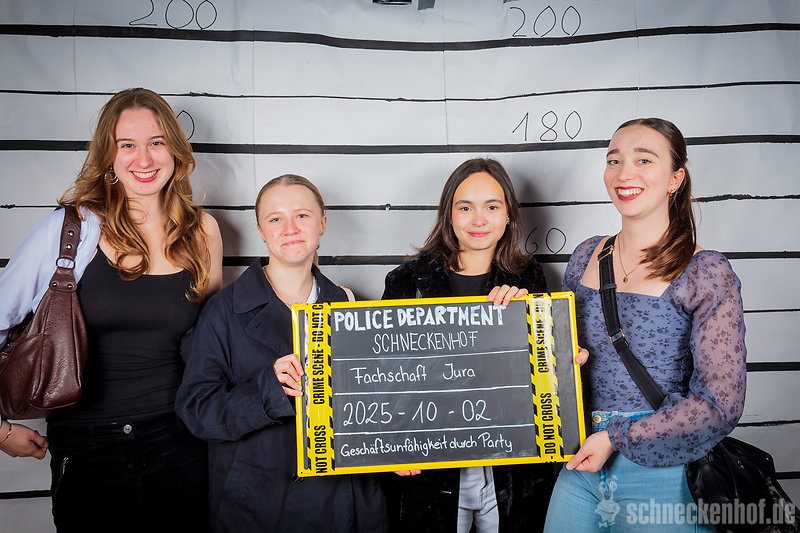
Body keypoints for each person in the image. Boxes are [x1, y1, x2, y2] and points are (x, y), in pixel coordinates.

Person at [0, 87, 223, 532]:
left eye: (157, 142)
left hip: (181, 442)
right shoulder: (69, 231)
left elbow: (216, 342)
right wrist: (0, 431)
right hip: (87, 452)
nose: (144, 159)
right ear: (108, 155)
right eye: (127, 145)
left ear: (175, 151)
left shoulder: (203, 231)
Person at [543, 118, 746, 532]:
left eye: (644, 160)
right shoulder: (584, 256)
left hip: (664, 468)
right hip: (580, 458)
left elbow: (720, 403)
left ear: (675, 179)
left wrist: (615, 437)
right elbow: (559, 359)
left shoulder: (706, 271)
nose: (624, 173)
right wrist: (561, 358)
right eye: (614, 160)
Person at [175, 174, 388, 532]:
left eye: (302, 215)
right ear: (261, 230)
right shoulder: (223, 311)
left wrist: (394, 448)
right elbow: (196, 411)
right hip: (259, 508)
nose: (290, 228)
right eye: (276, 218)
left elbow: (374, 406)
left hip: (342, 506)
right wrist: (268, 391)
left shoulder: (350, 308)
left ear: (322, 223)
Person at [381, 158, 558, 532]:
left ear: (508, 215)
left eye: (492, 207)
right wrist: (392, 445)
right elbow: (384, 379)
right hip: (432, 471)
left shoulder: (529, 279)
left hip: (509, 470)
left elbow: (544, 377)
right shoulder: (406, 282)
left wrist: (525, 321)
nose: (479, 220)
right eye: (465, 207)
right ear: (448, 215)